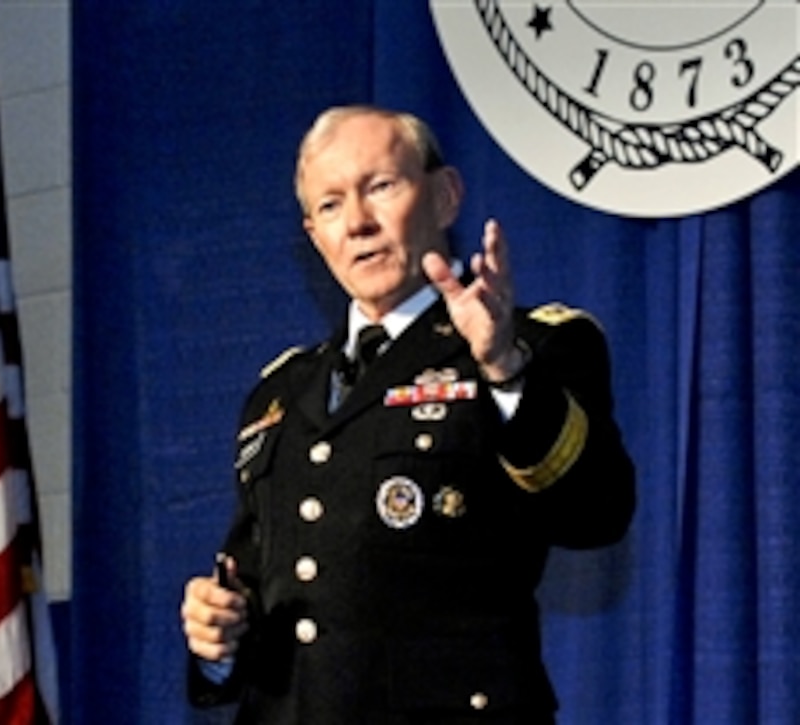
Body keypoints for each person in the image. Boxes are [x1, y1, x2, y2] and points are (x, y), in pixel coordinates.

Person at [180, 105, 636, 724]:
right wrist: (218, 638)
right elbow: (264, 595)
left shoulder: (533, 345)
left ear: (445, 197)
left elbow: (595, 513)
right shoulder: (280, 393)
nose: (359, 224)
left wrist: (502, 366)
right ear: (314, 235)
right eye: (332, 206)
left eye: (381, 187)